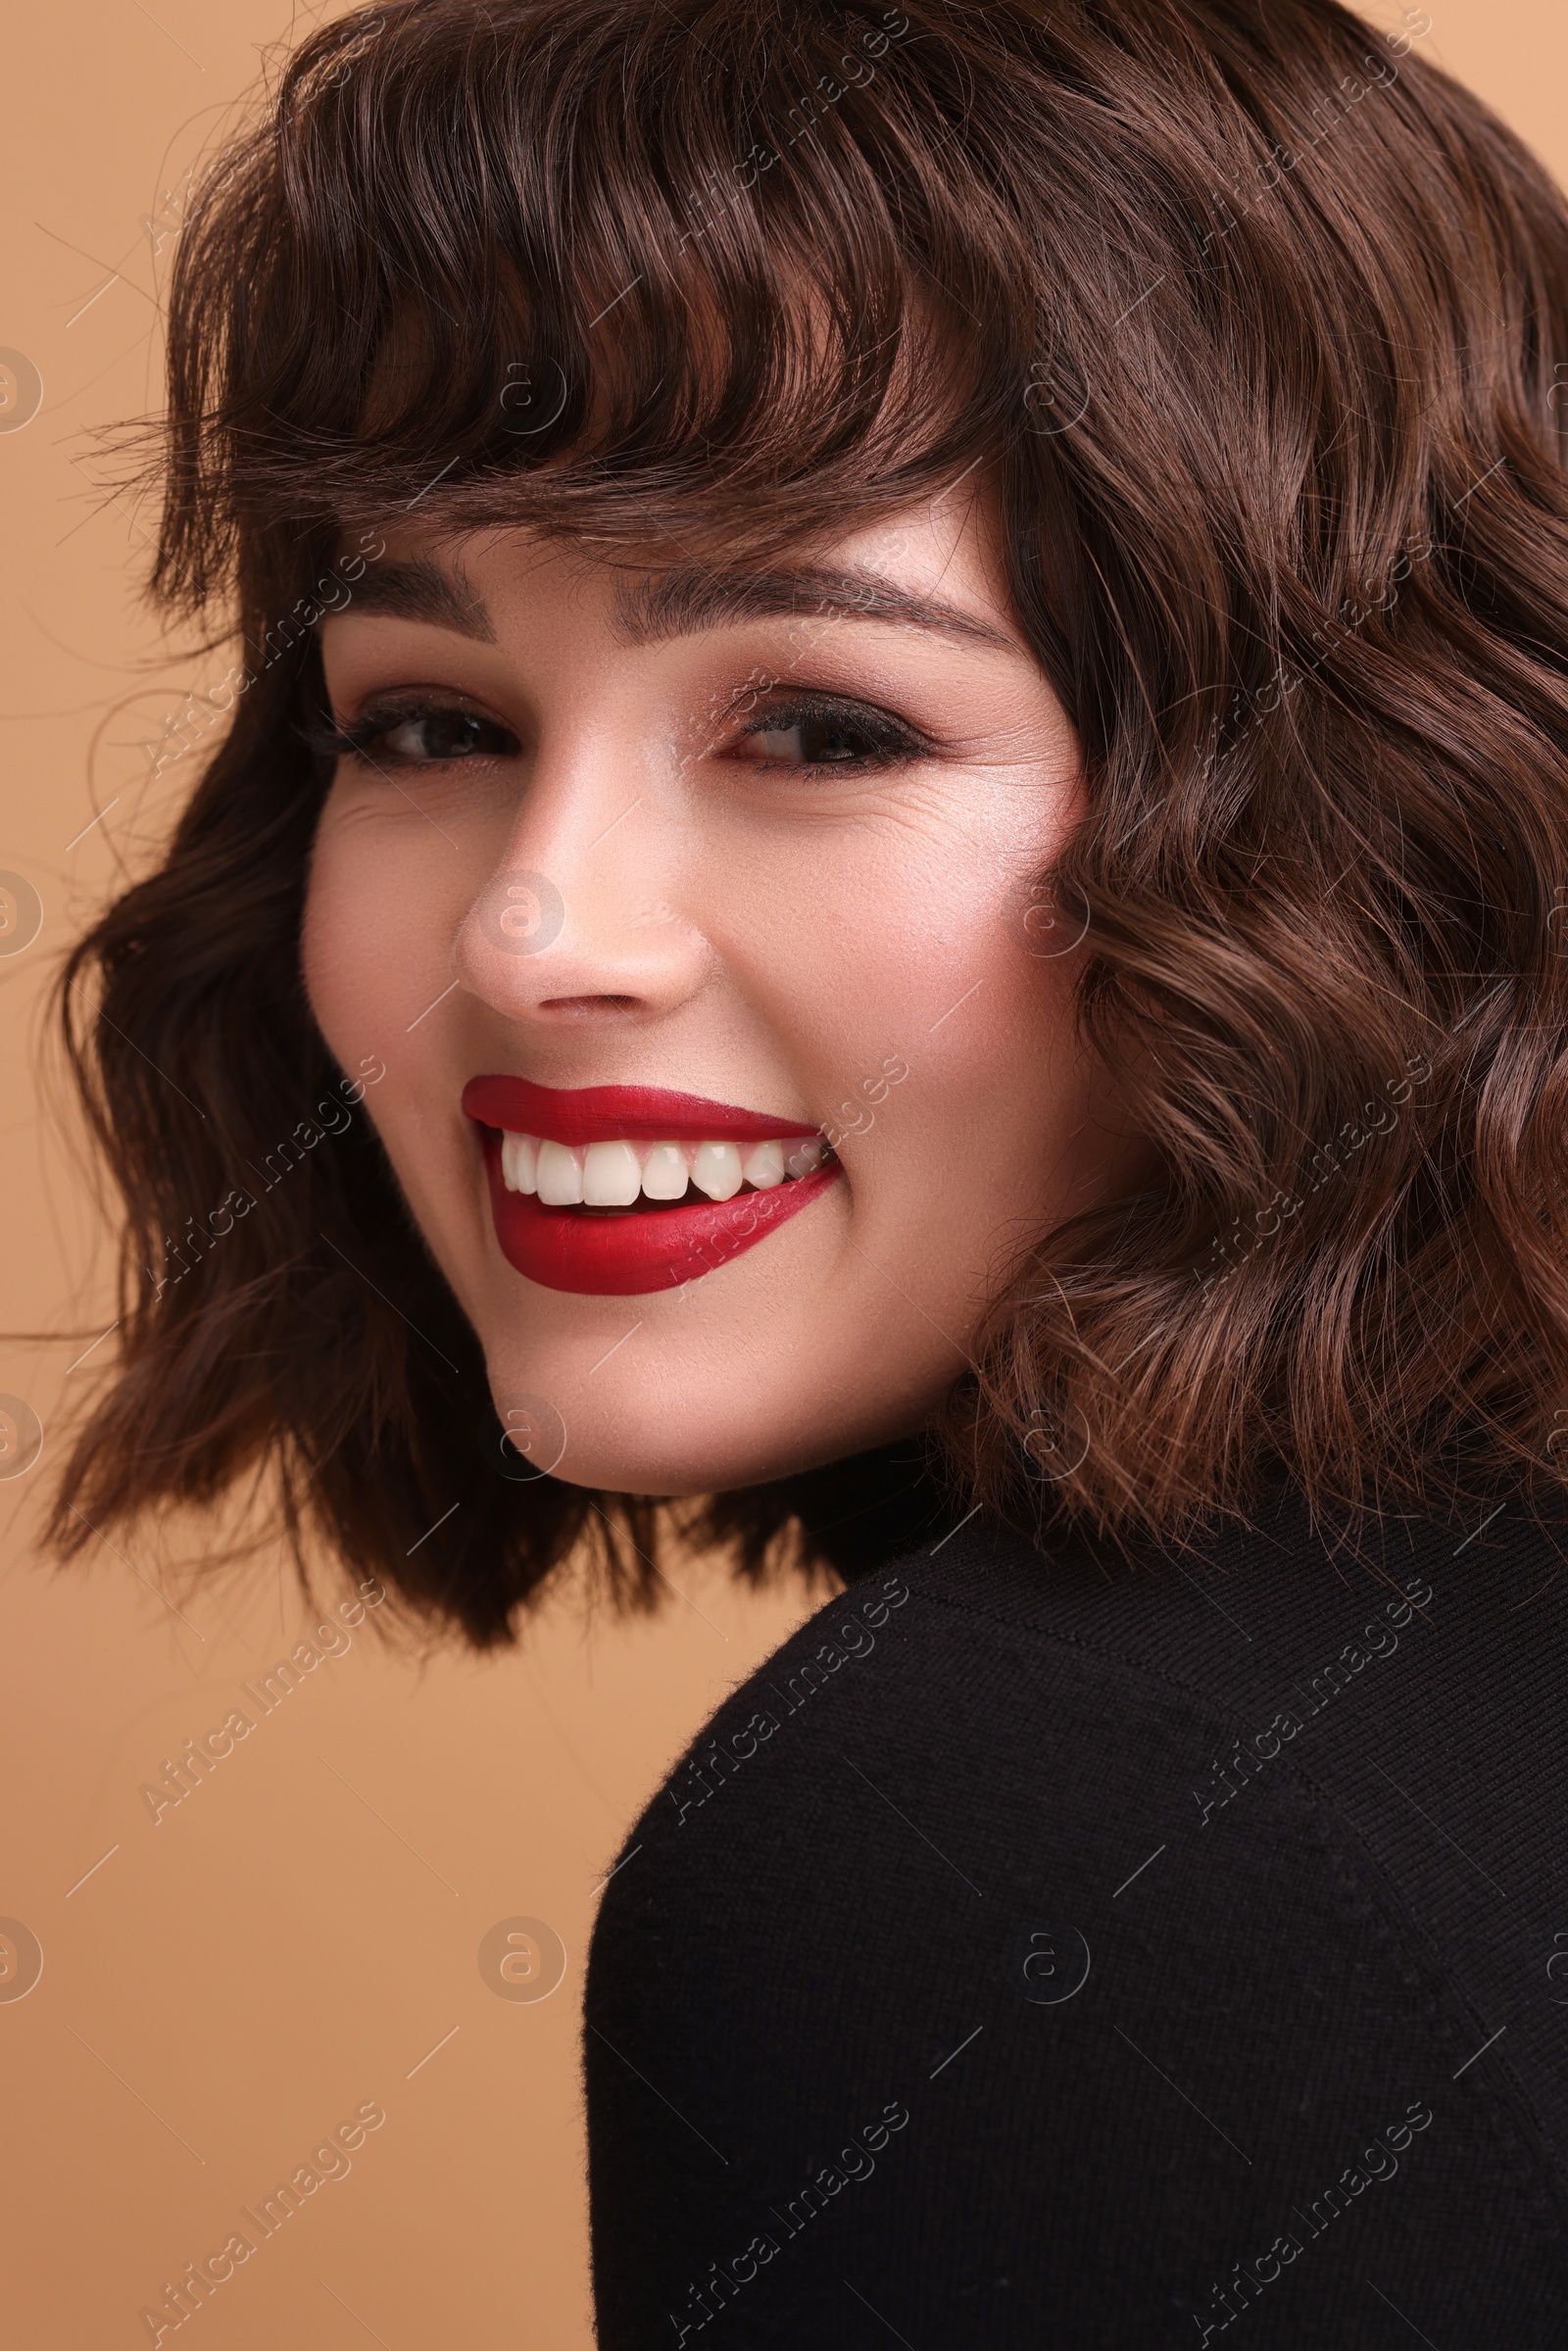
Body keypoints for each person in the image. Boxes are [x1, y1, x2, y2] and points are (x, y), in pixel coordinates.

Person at [53, 0, 1568, 2337]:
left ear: (1363, 816)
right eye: (427, 721)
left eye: (823, 724)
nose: (527, 933)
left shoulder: (1012, 1852)